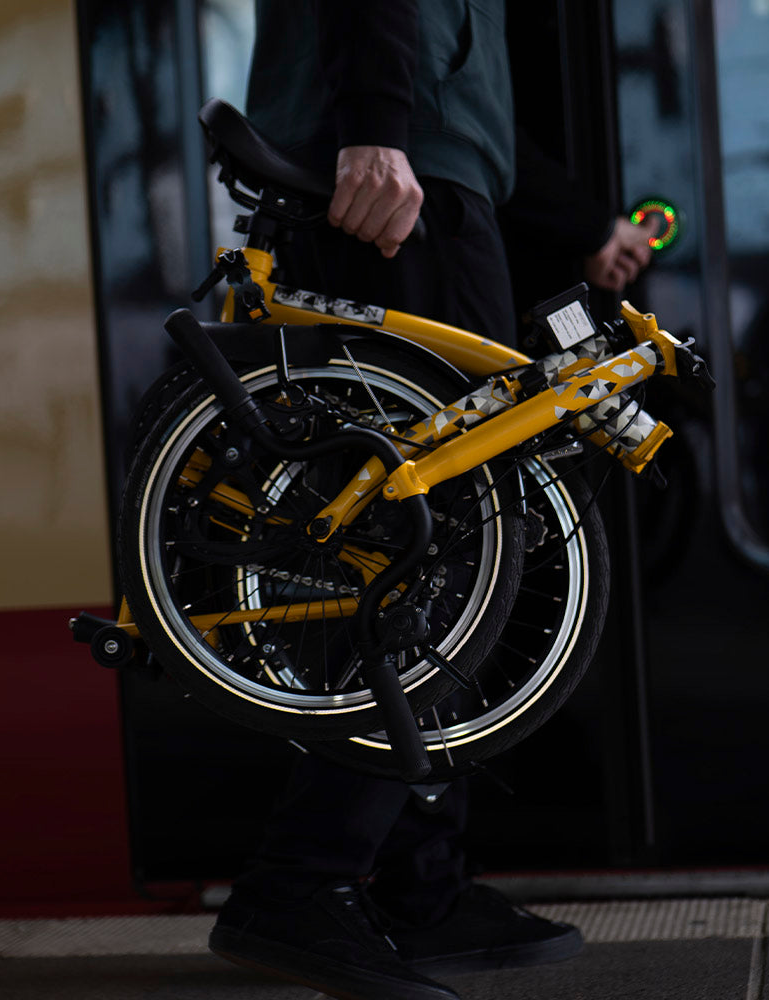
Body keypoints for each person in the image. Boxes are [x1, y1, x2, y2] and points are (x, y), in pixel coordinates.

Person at [209, 4, 653, 999]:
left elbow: (471, 112)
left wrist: (588, 227)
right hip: (399, 198)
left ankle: (418, 883)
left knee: (414, 552)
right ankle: (304, 876)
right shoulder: (390, 126)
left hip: (418, 182)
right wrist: (376, 130)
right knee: (450, 552)